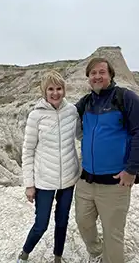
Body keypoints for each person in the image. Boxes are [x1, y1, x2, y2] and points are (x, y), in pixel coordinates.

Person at [74, 57, 139, 263]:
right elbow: (63, 117)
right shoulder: (85, 103)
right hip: (86, 180)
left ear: (110, 75)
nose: (97, 76)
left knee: (113, 234)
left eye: (102, 72)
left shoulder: (126, 98)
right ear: (88, 78)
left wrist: (132, 170)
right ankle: (96, 252)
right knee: (83, 222)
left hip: (115, 182)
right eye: (93, 73)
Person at [17, 70, 81, 263]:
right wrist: (29, 184)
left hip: (68, 178)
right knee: (41, 224)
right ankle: (25, 253)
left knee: (62, 222)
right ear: (44, 92)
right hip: (44, 180)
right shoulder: (36, 116)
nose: (55, 93)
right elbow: (28, 151)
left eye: (59, 88)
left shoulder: (72, 111)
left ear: (64, 90)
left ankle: (57, 257)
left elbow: (81, 135)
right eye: (50, 89)